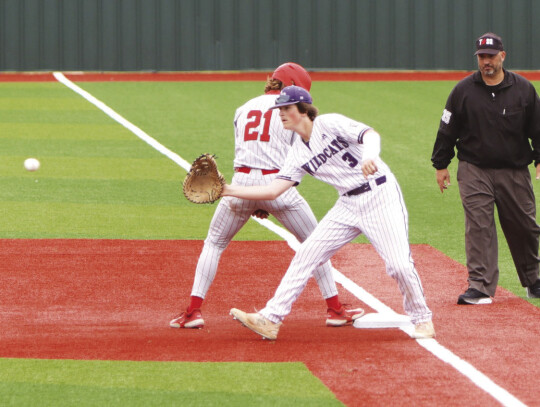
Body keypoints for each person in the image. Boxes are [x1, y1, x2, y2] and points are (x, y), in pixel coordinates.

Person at [223, 85, 435, 340]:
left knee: (398, 265)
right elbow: (273, 190)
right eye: (279, 108)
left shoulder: (328, 123)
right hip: (347, 204)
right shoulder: (297, 152)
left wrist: (370, 156)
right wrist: (228, 190)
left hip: (380, 195)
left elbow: (370, 135)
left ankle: (422, 318)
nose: (280, 113)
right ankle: (271, 318)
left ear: (303, 109)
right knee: (307, 254)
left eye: (286, 108)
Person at [170, 63, 364, 329]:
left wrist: (254, 201)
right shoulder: (292, 113)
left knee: (214, 244)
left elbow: (248, 151)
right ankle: (334, 309)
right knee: (315, 245)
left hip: (241, 186)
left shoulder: (242, 108)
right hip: (278, 187)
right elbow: (299, 155)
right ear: (291, 87)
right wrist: (267, 201)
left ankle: (193, 312)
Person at [431, 32, 540, 304]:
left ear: (503, 56)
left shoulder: (524, 90)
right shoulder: (463, 91)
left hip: (514, 170)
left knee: (524, 226)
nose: (486, 62)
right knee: (479, 226)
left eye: (491, 56)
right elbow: (447, 129)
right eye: (481, 57)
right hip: (474, 169)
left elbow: (537, 128)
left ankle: (533, 279)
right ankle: (479, 285)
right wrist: (441, 164)